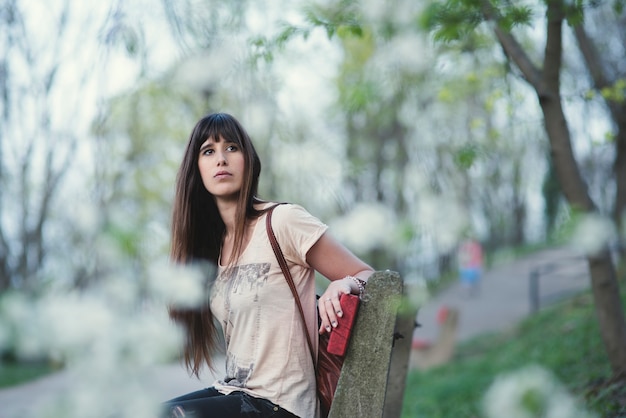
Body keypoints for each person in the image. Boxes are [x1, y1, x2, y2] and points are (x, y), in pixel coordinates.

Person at [163, 112, 374, 418]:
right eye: (208, 151)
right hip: (235, 393)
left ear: (248, 160)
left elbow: (367, 274)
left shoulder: (282, 221)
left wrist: (345, 283)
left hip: (281, 405)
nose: (221, 158)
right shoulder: (213, 250)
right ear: (196, 169)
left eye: (232, 147)